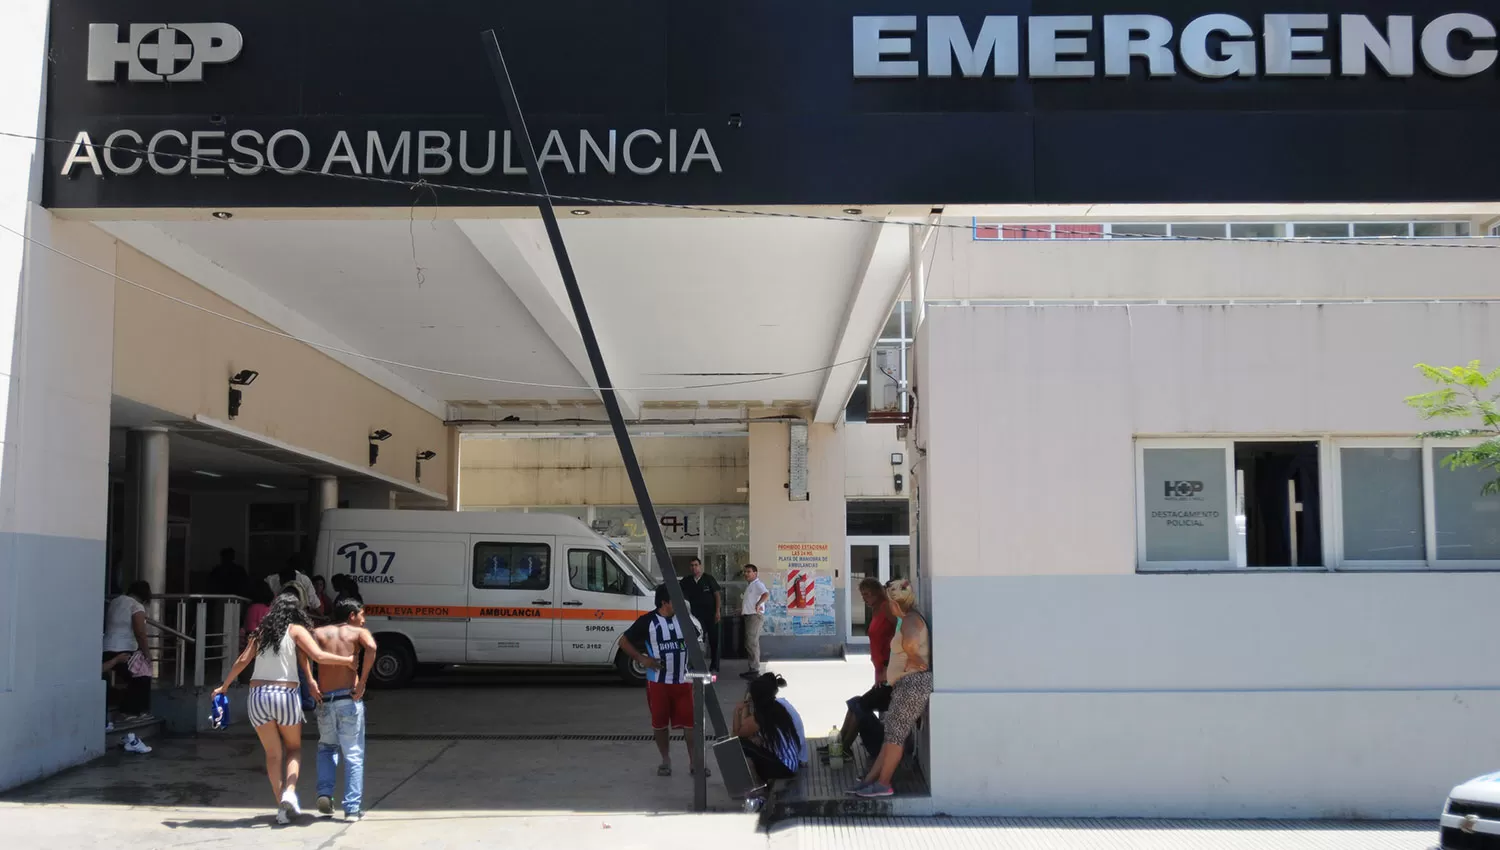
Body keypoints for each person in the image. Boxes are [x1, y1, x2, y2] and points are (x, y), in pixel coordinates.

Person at [213, 590, 355, 824]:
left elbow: (242, 660)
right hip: (285, 695)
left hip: (257, 696)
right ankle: (289, 792)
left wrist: (224, 686)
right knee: (294, 749)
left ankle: (282, 808)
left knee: (272, 754)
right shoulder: (296, 630)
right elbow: (318, 656)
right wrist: (347, 661)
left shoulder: (261, 632)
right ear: (296, 611)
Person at [617, 584, 707, 778]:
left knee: (691, 723)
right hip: (658, 683)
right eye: (676, 600)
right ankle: (665, 760)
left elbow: (697, 640)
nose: (681, 603)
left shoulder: (684, 619)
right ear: (664, 602)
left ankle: (695, 762)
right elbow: (623, 642)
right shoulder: (647, 621)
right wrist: (642, 659)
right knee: (659, 723)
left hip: (683, 681)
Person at [852, 579, 931, 799]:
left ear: (895, 603)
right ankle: (871, 780)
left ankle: (884, 784)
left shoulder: (910, 620)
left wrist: (912, 658)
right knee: (891, 735)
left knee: (895, 736)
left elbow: (911, 644)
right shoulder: (907, 618)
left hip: (912, 685)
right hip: (905, 684)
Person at [312, 597, 377, 822]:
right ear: (352, 615)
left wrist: (310, 681)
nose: (364, 620)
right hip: (348, 700)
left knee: (326, 748)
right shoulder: (358, 633)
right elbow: (372, 648)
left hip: (324, 700)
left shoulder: (319, 633)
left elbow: (303, 651)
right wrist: (363, 682)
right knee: (353, 754)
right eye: (362, 615)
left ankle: (324, 794)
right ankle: (351, 808)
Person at [829, 579, 896, 759]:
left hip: (890, 674)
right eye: (862, 595)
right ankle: (839, 744)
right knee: (855, 703)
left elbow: (900, 634)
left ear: (878, 592)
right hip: (881, 672)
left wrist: (889, 666)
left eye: (867, 594)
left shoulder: (887, 608)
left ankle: (844, 749)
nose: (864, 598)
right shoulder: (876, 609)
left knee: (860, 705)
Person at [732, 673, 803, 791]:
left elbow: (736, 735)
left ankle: (757, 790)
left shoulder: (761, 717)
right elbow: (747, 726)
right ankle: (761, 785)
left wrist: (737, 710)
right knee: (751, 743)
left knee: (740, 745)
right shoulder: (775, 707)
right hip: (790, 763)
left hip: (785, 767)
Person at [103, 581, 157, 722]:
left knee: (131, 677)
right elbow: (140, 632)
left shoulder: (115, 601)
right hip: (124, 649)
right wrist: (147, 654)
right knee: (143, 673)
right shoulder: (136, 606)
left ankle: (129, 709)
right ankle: (131, 711)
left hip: (106, 647)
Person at [679, 557, 722, 673]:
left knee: (714, 640)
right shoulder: (687, 580)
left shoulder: (708, 579)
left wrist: (717, 611)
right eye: (692, 565)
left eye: (696, 565)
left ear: (700, 566)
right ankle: (696, 664)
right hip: (695, 616)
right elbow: (677, 591)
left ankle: (715, 665)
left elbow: (717, 595)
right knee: (696, 640)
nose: (694, 567)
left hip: (711, 615)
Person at [739, 564, 769, 680]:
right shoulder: (751, 585)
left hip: (754, 617)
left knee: (752, 642)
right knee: (750, 642)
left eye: (748, 572)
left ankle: (755, 669)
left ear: (755, 573)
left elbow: (766, 594)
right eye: (745, 572)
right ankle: (752, 668)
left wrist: (758, 604)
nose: (746, 574)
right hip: (749, 616)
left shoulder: (757, 584)